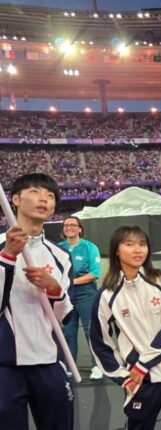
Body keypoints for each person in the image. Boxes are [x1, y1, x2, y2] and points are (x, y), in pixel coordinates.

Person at [90, 226, 161, 430]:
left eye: (142, 244)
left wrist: (142, 364)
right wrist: (121, 376)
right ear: (116, 250)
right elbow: (99, 342)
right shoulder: (106, 295)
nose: (138, 250)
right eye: (129, 244)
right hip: (139, 381)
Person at [0, 173, 74, 430]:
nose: (43, 198)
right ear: (15, 199)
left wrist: (54, 289)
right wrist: (8, 256)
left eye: (50, 195)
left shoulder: (61, 256)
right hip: (6, 366)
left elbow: (65, 315)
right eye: (34, 192)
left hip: (49, 362)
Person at [58, 215, 104, 380]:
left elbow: (94, 273)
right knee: (68, 332)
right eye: (66, 225)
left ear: (80, 229)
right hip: (66, 296)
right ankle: (70, 367)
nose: (69, 227)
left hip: (86, 294)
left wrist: (70, 282)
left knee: (90, 330)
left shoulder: (89, 247)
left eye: (72, 225)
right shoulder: (59, 248)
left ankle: (97, 365)